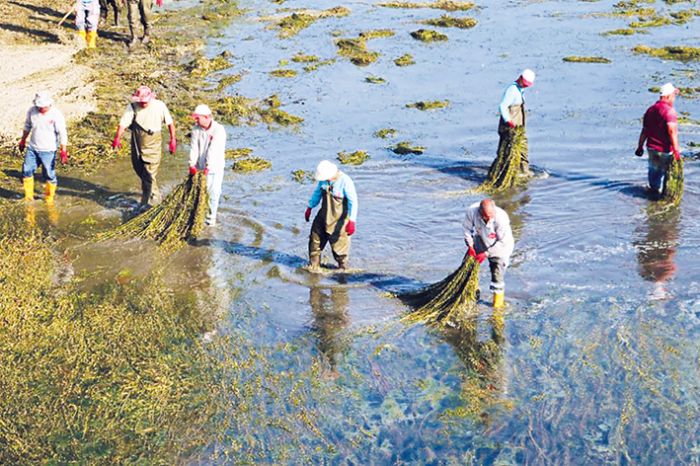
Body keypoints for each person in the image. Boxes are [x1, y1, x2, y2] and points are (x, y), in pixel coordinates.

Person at [112, 85, 176, 210]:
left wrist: (173, 139)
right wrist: (117, 138)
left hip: (154, 141)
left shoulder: (160, 106)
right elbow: (122, 124)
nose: (143, 104)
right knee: (139, 169)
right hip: (138, 142)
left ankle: (150, 201)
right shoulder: (132, 108)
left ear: (151, 99)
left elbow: (170, 123)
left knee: (149, 172)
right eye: (141, 102)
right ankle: (151, 193)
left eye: (145, 102)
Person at [305, 160, 358, 270]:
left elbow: (353, 202)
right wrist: (310, 207)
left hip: (339, 220)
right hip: (323, 216)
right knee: (315, 241)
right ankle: (314, 267)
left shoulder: (345, 181)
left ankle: (343, 273)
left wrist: (352, 221)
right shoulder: (324, 182)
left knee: (340, 250)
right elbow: (317, 194)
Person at [18, 92, 68, 204]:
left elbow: (62, 133)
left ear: (49, 104)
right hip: (33, 148)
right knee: (26, 171)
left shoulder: (56, 114)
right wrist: (22, 140)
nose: (41, 109)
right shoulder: (32, 111)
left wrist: (63, 150)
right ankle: (28, 198)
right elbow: (27, 126)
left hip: (48, 151)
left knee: (49, 174)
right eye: (39, 107)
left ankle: (49, 199)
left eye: (44, 107)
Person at [463, 198, 514, 308]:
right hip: (481, 239)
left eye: (491, 216)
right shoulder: (472, 211)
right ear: (479, 213)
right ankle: (472, 295)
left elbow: (503, 242)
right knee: (468, 266)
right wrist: (470, 245)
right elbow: (467, 230)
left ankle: (497, 306)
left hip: (500, 247)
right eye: (485, 217)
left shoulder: (501, 218)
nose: (488, 219)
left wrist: (486, 253)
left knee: (497, 276)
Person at [635, 83, 682, 198]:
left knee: (654, 174)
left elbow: (645, 131)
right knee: (668, 176)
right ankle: (662, 202)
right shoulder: (670, 112)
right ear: (667, 96)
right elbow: (672, 132)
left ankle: (652, 198)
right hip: (665, 150)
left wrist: (640, 146)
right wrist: (676, 151)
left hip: (651, 148)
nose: (674, 98)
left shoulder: (650, 110)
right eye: (673, 95)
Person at [188, 104, 226, 226]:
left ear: (206, 117)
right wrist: (192, 164)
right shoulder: (196, 130)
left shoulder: (218, 130)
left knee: (213, 192)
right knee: (199, 192)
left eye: (198, 118)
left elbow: (213, 150)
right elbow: (194, 148)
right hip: (200, 166)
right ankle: (198, 217)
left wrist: (208, 167)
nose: (196, 120)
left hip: (214, 167)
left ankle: (210, 220)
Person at [498, 69, 535, 172]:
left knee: (522, 150)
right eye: (525, 84)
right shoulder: (512, 90)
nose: (526, 86)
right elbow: (502, 106)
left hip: (518, 129)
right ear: (520, 78)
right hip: (509, 127)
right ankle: (505, 172)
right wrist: (509, 121)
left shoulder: (520, 90)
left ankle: (524, 172)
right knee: (507, 152)